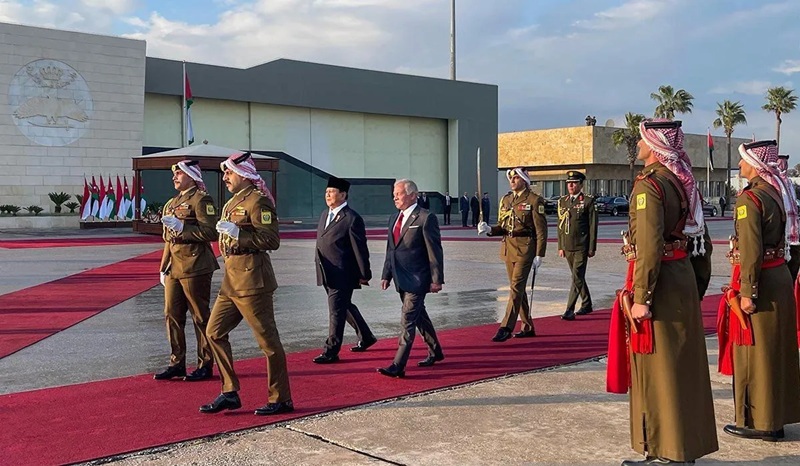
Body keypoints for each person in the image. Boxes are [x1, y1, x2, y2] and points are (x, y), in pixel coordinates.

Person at [607, 119, 718, 465]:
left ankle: (666, 451)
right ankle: (681, 446)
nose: (638, 146)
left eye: (642, 141)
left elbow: (649, 248)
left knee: (660, 370)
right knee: (683, 369)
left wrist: (641, 298)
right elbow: (702, 241)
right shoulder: (682, 182)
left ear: (654, 147)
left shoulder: (649, 187)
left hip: (660, 284)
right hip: (681, 277)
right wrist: (697, 285)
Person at [718, 139, 800, 442]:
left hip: (760, 281)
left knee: (756, 355)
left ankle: (760, 422)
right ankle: (776, 418)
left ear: (754, 164)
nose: (740, 167)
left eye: (742, 161)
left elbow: (751, 250)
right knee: (776, 353)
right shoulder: (778, 193)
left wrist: (748, 293)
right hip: (778, 276)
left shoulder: (749, 199)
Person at [200, 152, 293, 416]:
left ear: (244, 175)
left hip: (253, 280)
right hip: (231, 281)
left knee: (268, 342)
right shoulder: (232, 203)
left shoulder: (258, 201)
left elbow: (271, 240)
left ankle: (281, 398)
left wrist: (239, 234)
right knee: (213, 332)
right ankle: (229, 391)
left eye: (229, 172)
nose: (225, 177)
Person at [154, 160, 219, 382]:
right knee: (172, 315)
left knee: (200, 316)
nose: (174, 178)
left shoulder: (201, 199)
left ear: (191, 176)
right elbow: (168, 240)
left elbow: (211, 231)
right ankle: (177, 362)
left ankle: (205, 363)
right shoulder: (171, 203)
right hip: (174, 266)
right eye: (174, 175)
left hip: (195, 264)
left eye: (179, 174)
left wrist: (184, 228)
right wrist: (163, 266)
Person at [378, 179, 445, 378]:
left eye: (398, 194)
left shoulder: (425, 218)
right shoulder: (394, 218)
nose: (394, 197)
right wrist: (386, 274)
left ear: (412, 195)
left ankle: (398, 365)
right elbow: (391, 249)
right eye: (394, 194)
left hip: (418, 278)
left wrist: (437, 279)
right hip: (400, 277)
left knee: (407, 319)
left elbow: (435, 251)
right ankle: (436, 351)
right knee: (419, 317)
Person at [312, 176, 377, 364]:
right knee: (344, 306)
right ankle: (366, 336)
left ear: (343, 194)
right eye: (326, 192)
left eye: (331, 192)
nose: (328, 195)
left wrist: (365, 274)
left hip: (343, 273)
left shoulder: (351, 219)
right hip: (325, 271)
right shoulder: (325, 214)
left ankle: (331, 350)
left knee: (335, 312)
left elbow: (360, 249)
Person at [477, 168, 547, 342]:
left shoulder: (534, 200)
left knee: (516, 287)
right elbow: (503, 226)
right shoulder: (507, 199)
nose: (513, 181)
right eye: (511, 178)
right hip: (508, 247)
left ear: (524, 180)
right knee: (519, 290)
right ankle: (528, 326)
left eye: (516, 178)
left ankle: (506, 326)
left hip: (526, 248)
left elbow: (541, 230)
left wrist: (540, 254)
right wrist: (488, 229)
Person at [556, 170, 597, 321]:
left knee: (576, 276)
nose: (571, 185)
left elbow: (593, 226)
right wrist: (560, 246)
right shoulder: (563, 201)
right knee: (578, 277)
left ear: (581, 184)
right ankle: (587, 303)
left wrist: (592, 247)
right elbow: (560, 226)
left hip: (582, 245)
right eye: (568, 183)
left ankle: (569, 309)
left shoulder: (587, 201)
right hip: (568, 245)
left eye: (574, 183)